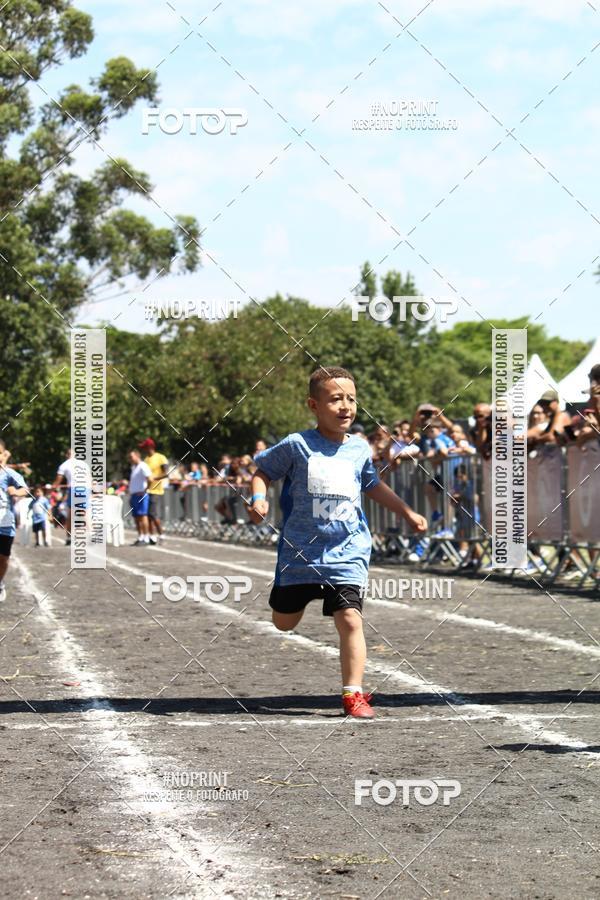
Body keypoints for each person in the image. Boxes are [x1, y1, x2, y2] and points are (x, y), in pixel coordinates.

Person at [248, 366, 427, 719]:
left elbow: (372, 485)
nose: (346, 407)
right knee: (284, 623)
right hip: (300, 553)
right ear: (313, 405)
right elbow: (262, 471)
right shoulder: (297, 445)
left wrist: (406, 512)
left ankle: (353, 694)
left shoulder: (359, 449)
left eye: (351, 399)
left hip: (347, 550)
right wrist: (258, 499)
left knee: (350, 619)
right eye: (335, 399)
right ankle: (293, 602)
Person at [0, 440, 30, 602]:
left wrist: (16, 492)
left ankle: (0, 583)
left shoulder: (9, 475)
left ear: (3, 454)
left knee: (3, 558)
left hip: (5, 523)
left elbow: (25, 490)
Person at [139, 438, 169, 545]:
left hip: (156, 490)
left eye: (145, 447)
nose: (143, 450)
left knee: (153, 514)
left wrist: (154, 478)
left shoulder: (161, 457)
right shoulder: (146, 460)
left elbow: (166, 473)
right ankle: (152, 536)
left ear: (150, 447)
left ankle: (161, 535)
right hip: (147, 490)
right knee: (147, 515)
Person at [129, 450, 152, 545]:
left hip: (141, 494)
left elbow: (150, 478)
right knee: (136, 517)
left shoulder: (143, 466)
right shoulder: (134, 467)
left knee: (143, 515)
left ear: (137, 456)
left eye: (131, 457)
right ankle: (140, 536)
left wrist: (145, 490)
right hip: (134, 494)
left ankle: (146, 537)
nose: (130, 459)